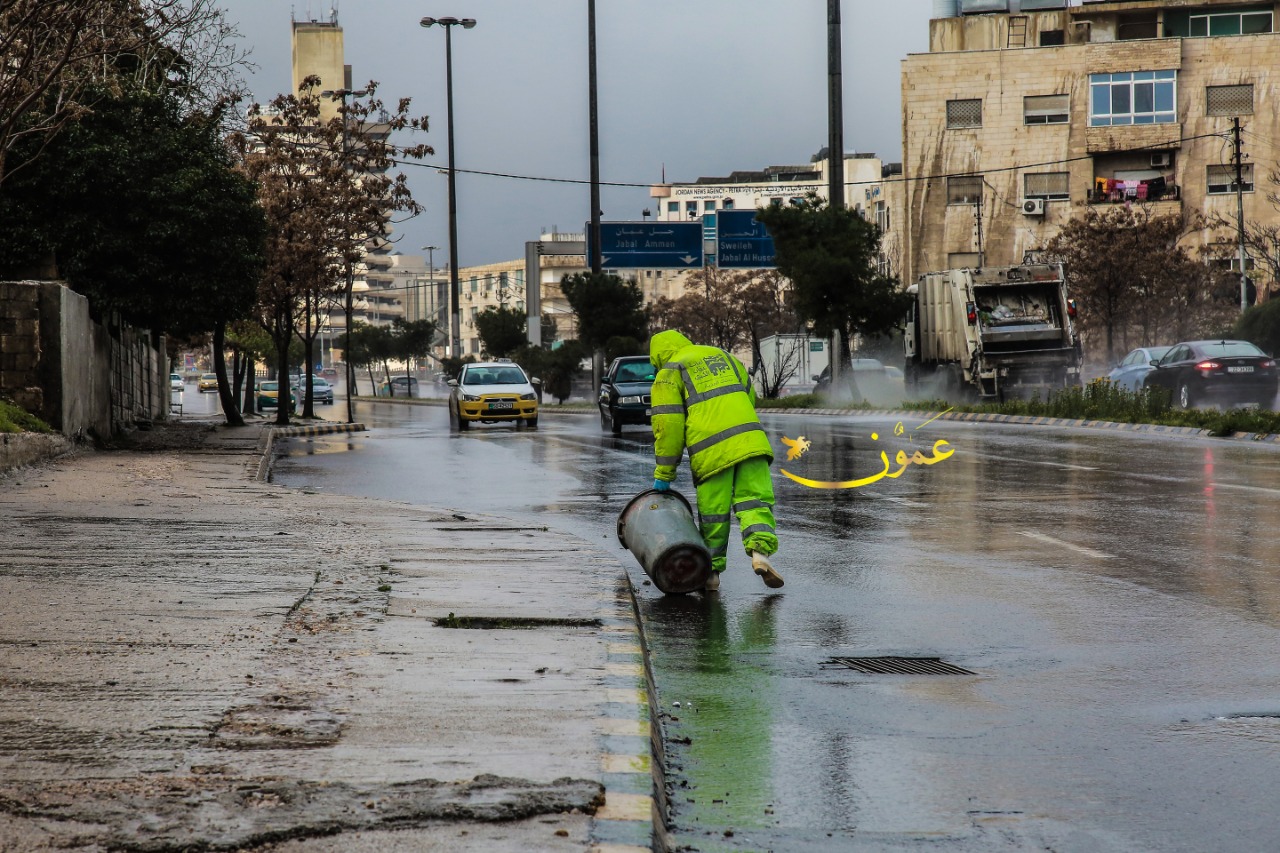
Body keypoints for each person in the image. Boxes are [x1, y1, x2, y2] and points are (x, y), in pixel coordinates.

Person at [647, 330, 782, 592]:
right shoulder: (723, 356)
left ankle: (710, 574)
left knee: (713, 514)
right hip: (750, 441)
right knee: (755, 501)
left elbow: (668, 427)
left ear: (658, 357)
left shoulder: (669, 372)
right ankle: (760, 554)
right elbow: (747, 395)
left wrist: (664, 474)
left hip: (711, 450)